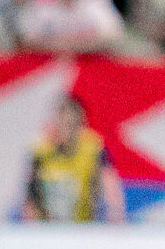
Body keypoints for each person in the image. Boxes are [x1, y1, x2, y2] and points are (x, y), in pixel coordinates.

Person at [21, 95, 126, 223]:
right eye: (61, 123)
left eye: (71, 125)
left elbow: (112, 192)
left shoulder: (93, 148)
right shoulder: (41, 151)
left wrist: (116, 221)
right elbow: (30, 200)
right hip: (46, 231)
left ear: (81, 125)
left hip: (83, 229)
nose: (66, 131)